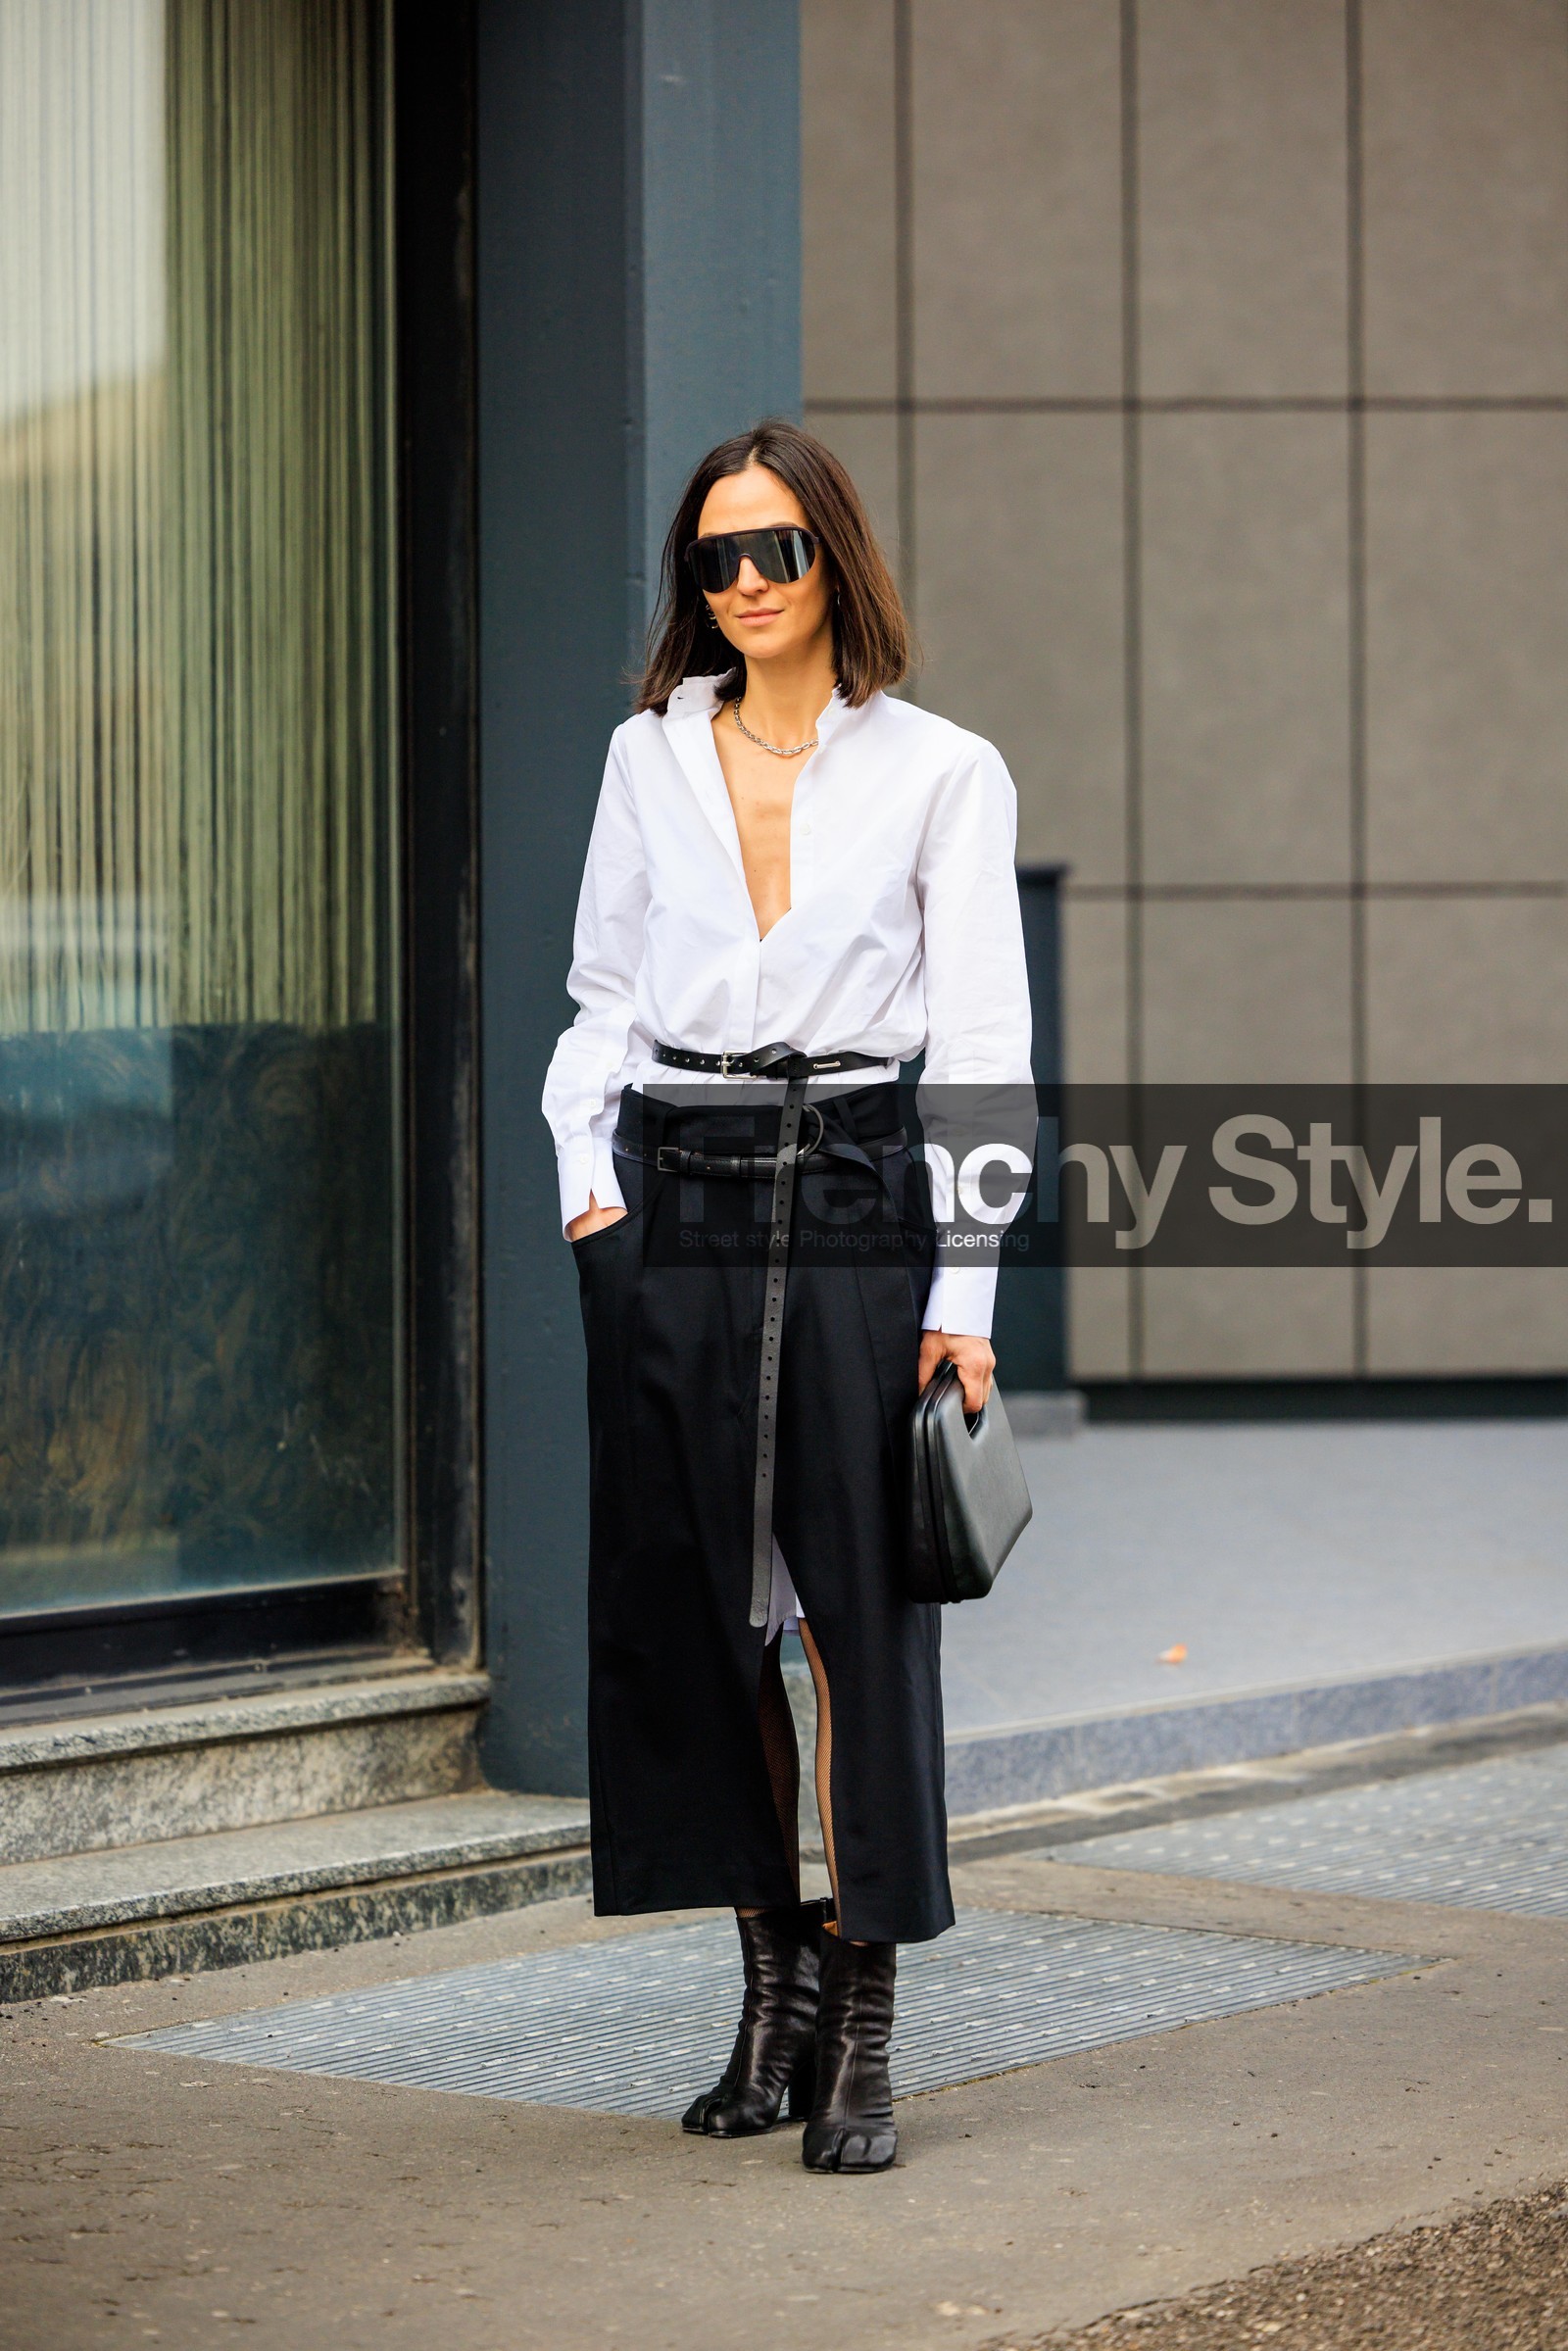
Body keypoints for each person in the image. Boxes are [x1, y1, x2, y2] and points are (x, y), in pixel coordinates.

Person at [542, 418, 1032, 2173]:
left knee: (851, 1621)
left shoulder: (942, 773)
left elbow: (980, 1048)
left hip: (852, 1191)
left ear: (837, 559)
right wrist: (589, 1193)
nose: (744, 585)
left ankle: (873, 2020)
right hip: (671, 1193)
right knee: (701, 1622)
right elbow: (601, 994)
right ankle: (775, 1994)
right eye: (715, 559)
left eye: (777, 552)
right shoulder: (644, 760)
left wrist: (964, 1284)